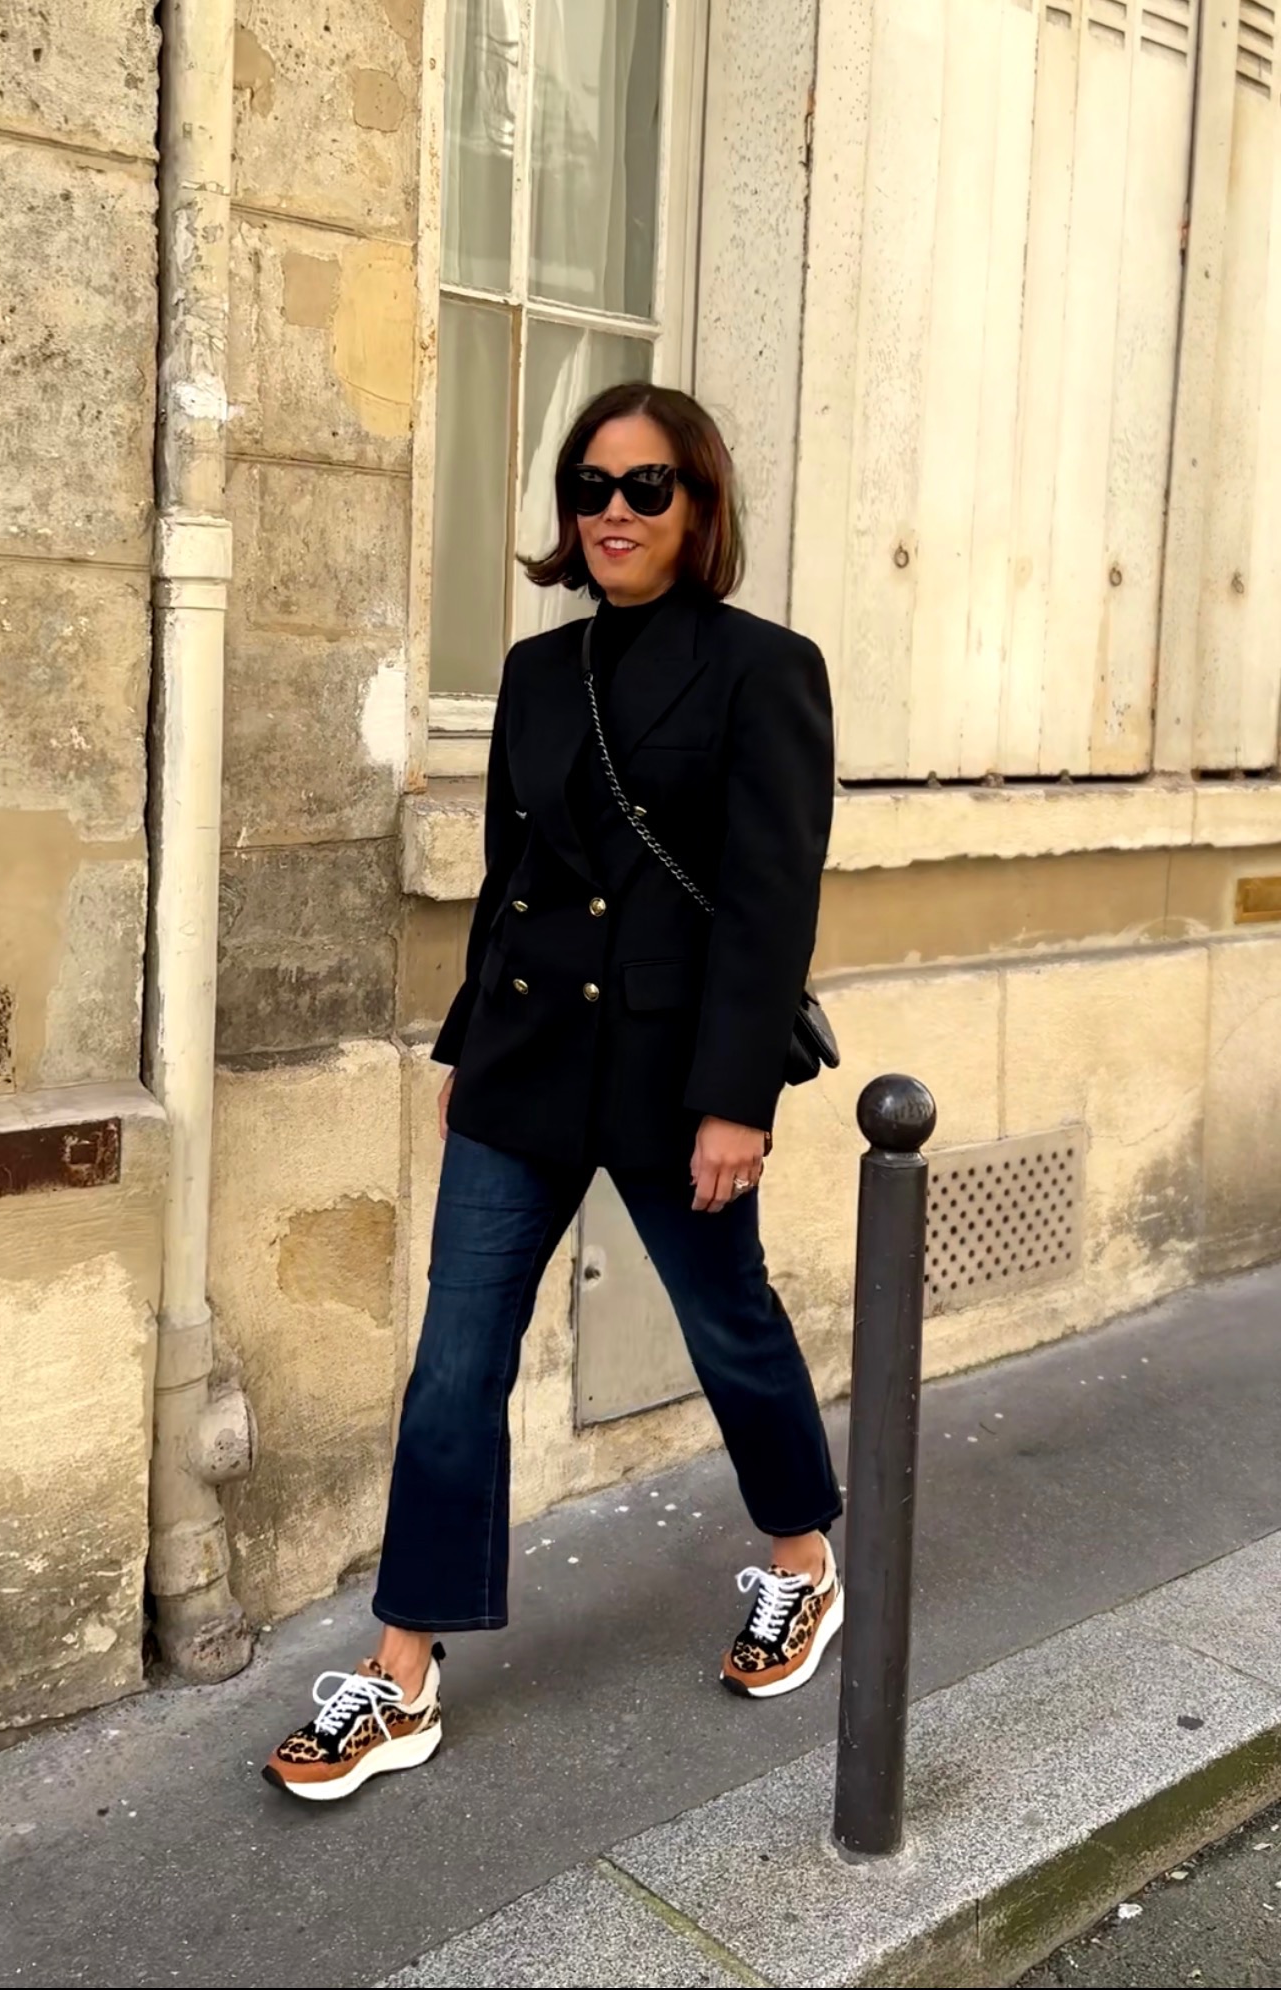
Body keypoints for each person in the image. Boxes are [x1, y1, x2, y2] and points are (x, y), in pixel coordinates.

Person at [264, 384, 842, 1803]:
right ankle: (402, 1672)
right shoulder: (536, 674)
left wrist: (737, 1101)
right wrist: (467, 1045)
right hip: (525, 1067)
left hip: (670, 1076)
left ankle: (803, 1562)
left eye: (647, 488)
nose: (614, 513)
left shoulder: (767, 669)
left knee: (731, 1324)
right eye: (591, 487)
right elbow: (509, 886)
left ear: (698, 506)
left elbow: (768, 906)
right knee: (455, 1362)